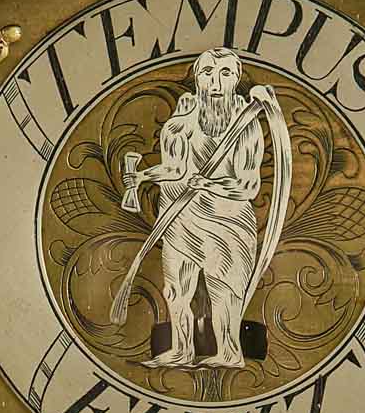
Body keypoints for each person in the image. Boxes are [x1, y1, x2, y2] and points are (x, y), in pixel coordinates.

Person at [114, 49, 291, 368]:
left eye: (225, 74)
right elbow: (175, 170)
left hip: (227, 222)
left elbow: (248, 186)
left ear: (236, 80)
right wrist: (141, 176)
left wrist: (209, 185)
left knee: (223, 289)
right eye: (207, 73)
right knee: (174, 289)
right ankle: (181, 350)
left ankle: (229, 352)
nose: (215, 82)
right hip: (180, 217)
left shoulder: (246, 122)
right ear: (196, 78)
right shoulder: (183, 119)